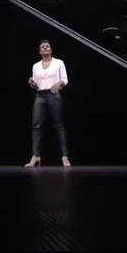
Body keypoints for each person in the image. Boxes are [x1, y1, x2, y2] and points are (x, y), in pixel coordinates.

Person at [25, 39, 71, 167]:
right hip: (40, 95)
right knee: (36, 125)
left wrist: (60, 84)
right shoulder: (35, 66)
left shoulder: (58, 63)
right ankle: (35, 156)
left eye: (47, 46)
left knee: (59, 125)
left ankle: (65, 156)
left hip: (53, 94)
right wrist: (32, 83)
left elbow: (65, 79)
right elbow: (35, 84)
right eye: (43, 47)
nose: (45, 48)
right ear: (40, 51)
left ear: (51, 49)